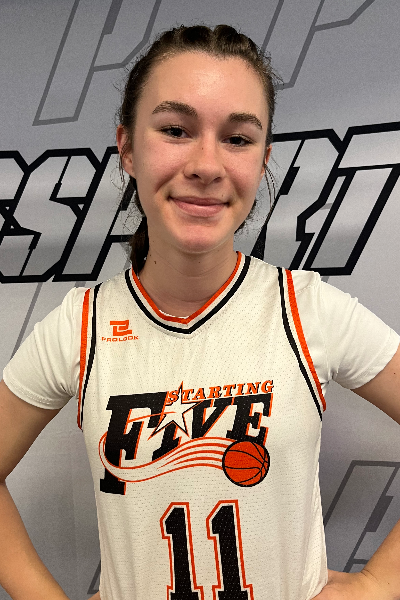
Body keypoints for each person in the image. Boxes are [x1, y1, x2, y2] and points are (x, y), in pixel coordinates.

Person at [0, 23, 400, 600]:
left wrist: (379, 585)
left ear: (263, 161)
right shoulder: (81, 325)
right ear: (128, 148)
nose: (207, 164)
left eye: (237, 138)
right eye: (176, 130)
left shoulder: (306, 309)